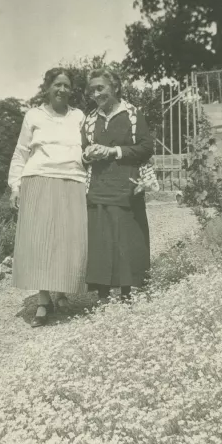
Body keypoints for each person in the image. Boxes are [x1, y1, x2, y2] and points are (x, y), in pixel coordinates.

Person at [8, 68, 87, 327]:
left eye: (66, 85)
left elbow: (87, 150)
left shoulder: (79, 116)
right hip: (39, 178)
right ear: (47, 87)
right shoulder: (33, 115)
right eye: (57, 85)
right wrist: (15, 186)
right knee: (42, 241)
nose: (62, 90)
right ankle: (43, 300)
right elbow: (21, 152)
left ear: (71, 89)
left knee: (66, 240)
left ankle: (62, 291)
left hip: (73, 180)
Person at [82, 68, 154, 303]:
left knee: (126, 236)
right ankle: (103, 294)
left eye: (100, 88)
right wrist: (89, 153)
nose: (96, 94)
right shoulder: (90, 119)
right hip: (100, 186)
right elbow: (81, 153)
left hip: (127, 182)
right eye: (92, 90)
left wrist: (113, 151)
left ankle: (127, 292)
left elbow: (146, 148)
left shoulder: (132, 114)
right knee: (101, 237)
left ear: (114, 87)